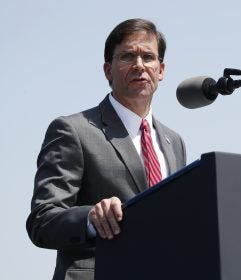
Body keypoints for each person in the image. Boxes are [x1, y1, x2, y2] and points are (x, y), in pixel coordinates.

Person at [26, 18, 186, 280]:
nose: (139, 65)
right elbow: (42, 221)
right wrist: (90, 218)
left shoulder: (174, 141)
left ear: (161, 70)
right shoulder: (73, 130)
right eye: (127, 56)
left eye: (148, 57)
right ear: (108, 70)